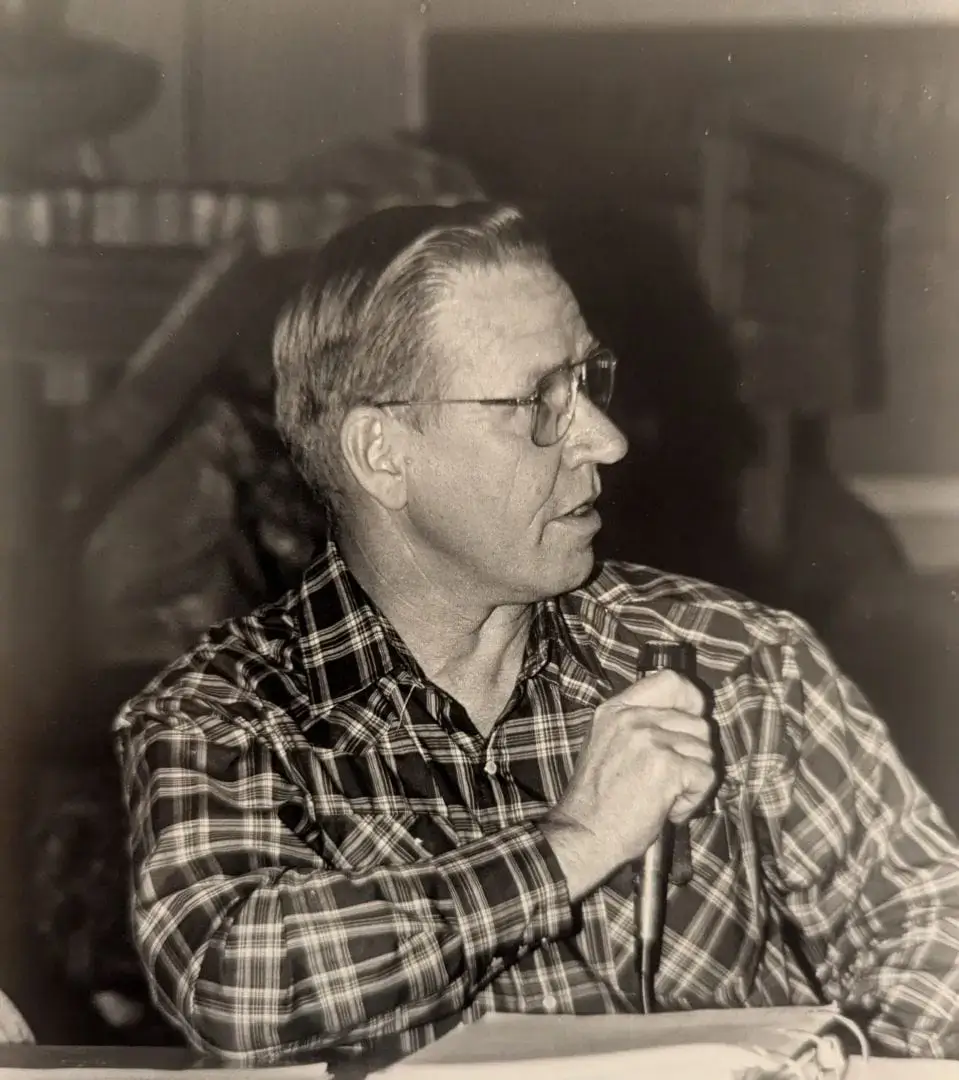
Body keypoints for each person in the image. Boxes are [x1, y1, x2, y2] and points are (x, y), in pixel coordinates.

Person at [114, 202, 959, 1064]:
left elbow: (932, 923)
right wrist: (571, 848)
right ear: (381, 454)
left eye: (588, 381)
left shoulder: (738, 664)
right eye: (537, 402)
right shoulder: (225, 717)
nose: (607, 438)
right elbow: (233, 983)